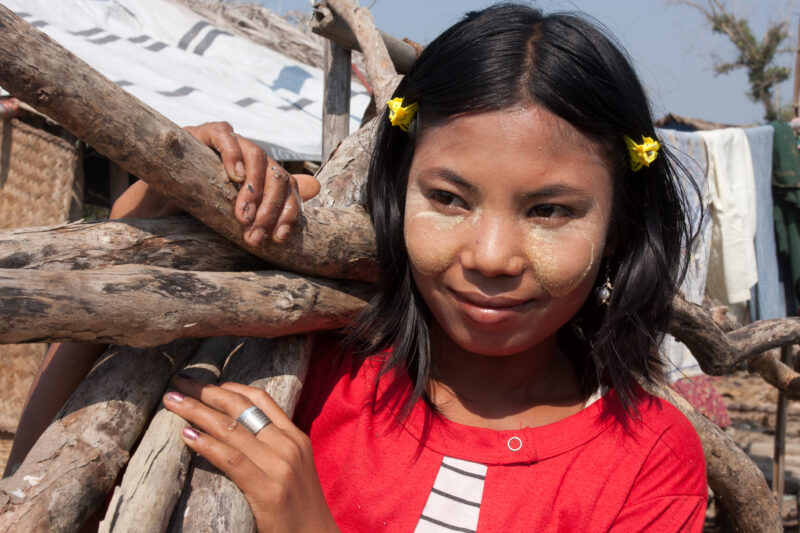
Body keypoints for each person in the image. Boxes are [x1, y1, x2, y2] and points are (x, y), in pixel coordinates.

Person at [9, 4, 707, 531]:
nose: (491, 257)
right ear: (398, 193)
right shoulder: (308, 358)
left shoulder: (646, 459)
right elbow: (42, 481)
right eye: (448, 198)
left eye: (549, 210)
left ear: (619, 225)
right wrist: (158, 199)